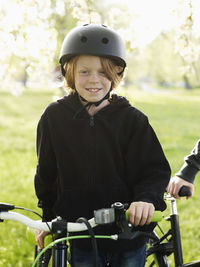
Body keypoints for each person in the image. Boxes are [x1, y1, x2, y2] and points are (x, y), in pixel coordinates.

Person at [34, 24, 171, 267]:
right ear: (69, 73)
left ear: (117, 73)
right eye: (84, 72)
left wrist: (146, 200)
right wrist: (49, 220)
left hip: (129, 234)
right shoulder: (54, 118)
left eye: (103, 72)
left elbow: (154, 170)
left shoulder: (132, 120)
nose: (94, 80)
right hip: (80, 234)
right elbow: (46, 176)